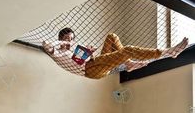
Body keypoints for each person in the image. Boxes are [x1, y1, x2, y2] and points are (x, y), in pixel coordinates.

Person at [42, 28, 189, 79]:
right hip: (90, 71)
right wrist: (63, 44)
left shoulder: (74, 51)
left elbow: (83, 60)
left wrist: (89, 53)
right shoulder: (57, 52)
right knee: (128, 50)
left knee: (112, 37)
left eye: (72, 39)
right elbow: (46, 45)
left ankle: (128, 63)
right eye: (67, 38)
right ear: (61, 39)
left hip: (93, 63)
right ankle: (167, 52)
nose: (70, 41)